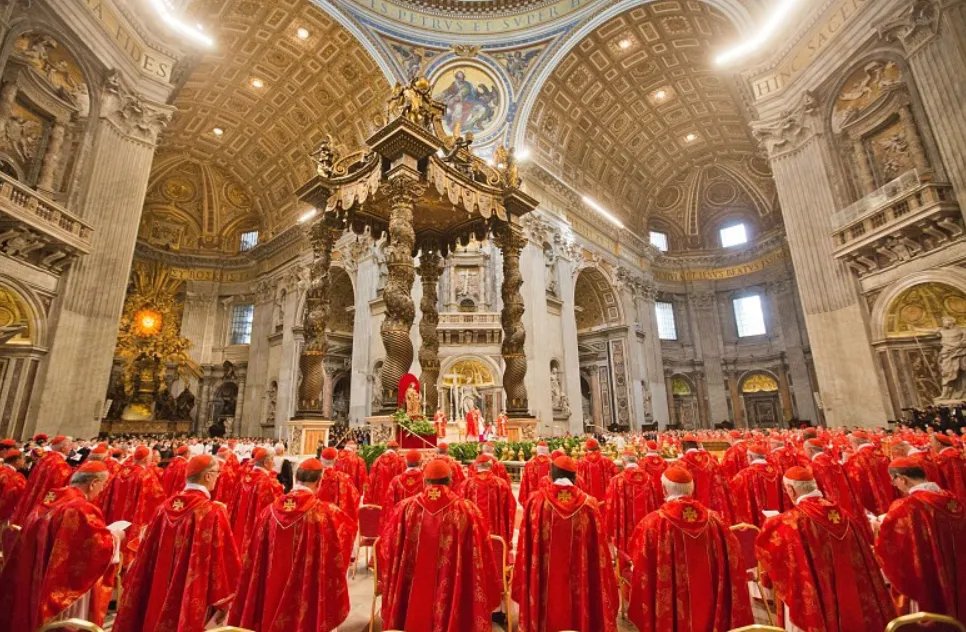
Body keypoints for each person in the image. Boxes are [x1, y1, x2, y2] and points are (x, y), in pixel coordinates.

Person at [757, 466, 895, 632]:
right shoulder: (845, 516)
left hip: (818, 594)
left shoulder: (791, 522)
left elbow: (769, 551)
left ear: (792, 490)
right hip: (854, 594)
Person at [113, 455, 241, 632]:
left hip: (158, 589)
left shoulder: (163, 508)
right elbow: (223, 560)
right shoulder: (213, 512)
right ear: (208, 476)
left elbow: (146, 556)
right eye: (217, 472)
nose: (219, 476)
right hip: (193, 591)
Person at [228, 458, 356, 632]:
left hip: (270, 587)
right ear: (319, 482)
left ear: (296, 479)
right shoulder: (325, 514)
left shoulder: (268, 512)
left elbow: (254, 558)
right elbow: (344, 537)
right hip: (306, 588)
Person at [377, 458, 501, 632]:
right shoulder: (467, 510)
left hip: (412, 590)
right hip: (452, 586)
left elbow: (386, 548)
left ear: (425, 480)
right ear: (450, 481)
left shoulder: (406, 509)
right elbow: (482, 554)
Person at [627, 467, 752, 632]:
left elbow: (640, 566)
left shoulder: (653, 523)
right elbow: (734, 562)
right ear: (691, 489)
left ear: (664, 489)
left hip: (672, 609)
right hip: (713, 603)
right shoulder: (715, 521)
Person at [0, 460, 119, 630]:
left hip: (36, 574)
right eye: (102, 485)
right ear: (93, 484)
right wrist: (115, 537)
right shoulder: (81, 508)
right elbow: (96, 548)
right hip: (61, 584)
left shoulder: (50, 498)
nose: (102, 490)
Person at [513, 455, 618, 632]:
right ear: (575, 477)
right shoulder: (590, 505)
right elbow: (600, 555)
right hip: (581, 579)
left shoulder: (536, 502)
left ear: (551, 475)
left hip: (544, 580)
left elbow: (525, 549)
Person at [875, 456, 966, 620]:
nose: (894, 485)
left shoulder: (907, 506)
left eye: (893, 480)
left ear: (902, 479)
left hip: (928, 576)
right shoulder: (952, 499)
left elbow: (890, 547)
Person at [97, 445, 164, 565]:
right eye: (150, 458)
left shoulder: (119, 472)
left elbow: (107, 494)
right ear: (145, 460)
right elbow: (157, 497)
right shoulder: (146, 475)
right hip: (134, 518)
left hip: (115, 515)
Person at [604, 449, 660, 559]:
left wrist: (609, 526)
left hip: (625, 528)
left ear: (623, 462)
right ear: (637, 461)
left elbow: (610, 506)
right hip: (647, 527)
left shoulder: (617, 480)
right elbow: (655, 504)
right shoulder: (649, 479)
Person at [10, 434, 72, 526]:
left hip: (34, 498)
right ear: (63, 448)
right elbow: (59, 489)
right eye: (70, 445)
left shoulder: (44, 459)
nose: (71, 448)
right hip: (46, 503)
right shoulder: (62, 465)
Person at [228, 446, 283, 548]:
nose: (274, 464)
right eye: (272, 460)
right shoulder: (270, 483)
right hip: (258, 529)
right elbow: (278, 509)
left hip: (242, 525)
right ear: (266, 463)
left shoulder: (244, 478)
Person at [459, 454, 515, 545]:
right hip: (496, 534)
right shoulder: (501, 484)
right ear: (491, 466)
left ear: (475, 466)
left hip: (473, 534)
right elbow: (510, 508)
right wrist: (509, 536)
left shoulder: (466, 485)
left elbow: (461, 512)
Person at [678, 434, 734, 523]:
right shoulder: (711, 461)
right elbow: (721, 482)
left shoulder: (680, 463)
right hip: (711, 503)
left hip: (691, 506)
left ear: (683, 447)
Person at [803, 438, 863, 518]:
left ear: (810, 450)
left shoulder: (812, 467)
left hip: (831, 510)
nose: (805, 453)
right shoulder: (835, 461)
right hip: (848, 504)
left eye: (805, 450)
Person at [730, 441, 785, 527]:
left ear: (751, 457)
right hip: (777, 515)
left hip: (757, 518)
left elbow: (732, 492)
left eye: (747, 456)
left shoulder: (745, 474)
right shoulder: (777, 472)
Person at [844, 430, 894, 514]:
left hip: (870, 498)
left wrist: (845, 464)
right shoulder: (881, 453)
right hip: (889, 494)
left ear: (855, 442)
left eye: (851, 443)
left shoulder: (856, 458)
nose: (851, 445)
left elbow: (854, 480)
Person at [317, 447, 361, 522]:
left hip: (317, 518)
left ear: (320, 459)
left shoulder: (313, 476)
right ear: (336, 460)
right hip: (336, 520)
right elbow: (355, 499)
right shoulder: (344, 478)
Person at [365, 439, 405, 507]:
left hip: (380, 494)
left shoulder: (378, 460)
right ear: (396, 449)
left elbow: (372, 477)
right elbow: (403, 477)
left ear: (387, 448)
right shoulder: (400, 460)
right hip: (393, 493)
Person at [932, 433, 966, 501]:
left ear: (939, 444)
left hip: (955, 492)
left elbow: (946, 479)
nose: (931, 445)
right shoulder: (958, 452)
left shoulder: (943, 458)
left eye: (931, 442)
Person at [0, 448, 26, 523]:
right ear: (17, 461)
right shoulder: (16, 477)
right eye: (23, 459)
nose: (24, 461)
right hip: (4, 514)